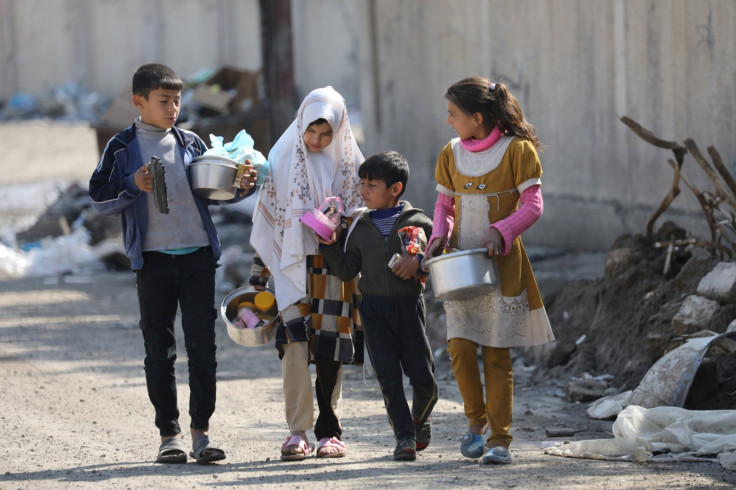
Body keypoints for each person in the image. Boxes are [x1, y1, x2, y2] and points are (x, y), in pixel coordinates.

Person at [88, 63, 258, 465]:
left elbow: (214, 192)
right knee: (158, 349)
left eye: (177, 100)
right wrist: (133, 184)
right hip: (152, 261)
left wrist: (241, 187)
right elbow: (99, 198)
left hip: (198, 255)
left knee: (203, 348)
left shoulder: (191, 142)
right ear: (139, 101)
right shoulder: (122, 146)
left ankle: (202, 433)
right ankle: (170, 434)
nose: (173, 108)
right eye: (164, 101)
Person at [422, 76, 555, 465]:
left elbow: (532, 205)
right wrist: (436, 239)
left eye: (453, 114)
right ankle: (475, 425)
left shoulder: (519, 151)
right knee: (460, 348)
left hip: (500, 267)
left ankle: (500, 440)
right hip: (461, 267)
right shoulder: (450, 153)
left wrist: (503, 230)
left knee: (496, 354)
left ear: (477, 117)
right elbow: (444, 208)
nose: (448, 121)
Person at [249, 86, 364, 461]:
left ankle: (329, 431)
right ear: (300, 124)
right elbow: (270, 220)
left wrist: (338, 223)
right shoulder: (282, 156)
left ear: (339, 130)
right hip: (289, 267)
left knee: (330, 348)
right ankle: (296, 431)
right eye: (311, 131)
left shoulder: (348, 164)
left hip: (334, 268)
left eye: (325, 133)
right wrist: (259, 273)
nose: (316, 140)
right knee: (294, 347)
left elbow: (363, 215)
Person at [318, 151, 438, 461]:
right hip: (372, 309)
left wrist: (420, 262)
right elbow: (346, 270)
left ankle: (419, 420)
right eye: (363, 183)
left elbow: (439, 253)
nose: (363, 190)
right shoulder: (359, 226)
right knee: (388, 376)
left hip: (409, 308)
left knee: (423, 376)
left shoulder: (419, 221)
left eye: (372, 184)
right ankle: (404, 437)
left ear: (395, 189)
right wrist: (329, 246)